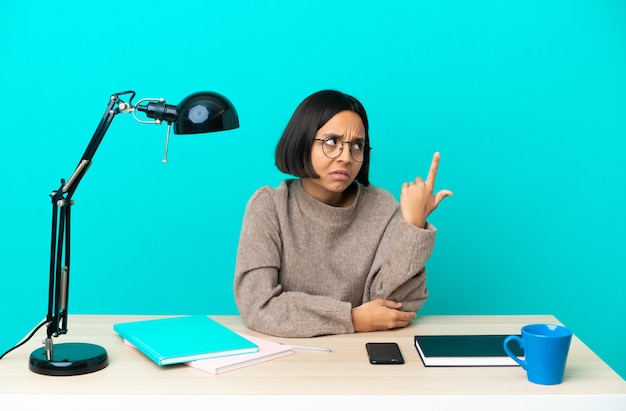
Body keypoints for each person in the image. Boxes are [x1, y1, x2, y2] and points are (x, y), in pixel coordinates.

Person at [233, 90, 452, 338]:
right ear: (302, 141)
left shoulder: (381, 206)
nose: (346, 158)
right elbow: (257, 305)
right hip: (287, 357)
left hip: (361, 355)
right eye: (331, 142)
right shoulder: (269, 206)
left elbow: (395, 307)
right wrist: (353, 318)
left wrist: (413, 226)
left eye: (356, 146)